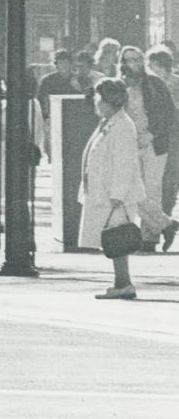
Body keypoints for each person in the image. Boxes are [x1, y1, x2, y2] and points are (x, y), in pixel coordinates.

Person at [80, 78, 164, 299]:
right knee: (115, 238)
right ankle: (122, 283)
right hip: (107, 191)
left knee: (116, 238)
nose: (95, 102)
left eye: (99, 98)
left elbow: (125, 163)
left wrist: (117, 194)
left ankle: (124, 284)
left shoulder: (123, 125)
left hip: (116, 194)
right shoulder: (110, 122)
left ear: (107, 100)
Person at [115, 45, 176, 248]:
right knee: (131, 191)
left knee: (151, 191)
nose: (132, 64)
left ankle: (149, 238)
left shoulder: (153, 83)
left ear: (143, 61)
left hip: (153, 144)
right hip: (129, 144)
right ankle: (166, 224)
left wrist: (151, 134)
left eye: (136, 59)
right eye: (128, 60)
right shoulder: (119, 85)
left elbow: (169, 113)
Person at [147, 47, 179, 239]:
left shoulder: (175, 84)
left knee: (168, 185)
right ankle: (157, 229)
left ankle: (163, 226)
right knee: (155, 185)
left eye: (152, 66)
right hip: (157, 139)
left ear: (162, 66)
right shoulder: (150, 85)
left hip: (174, 140)